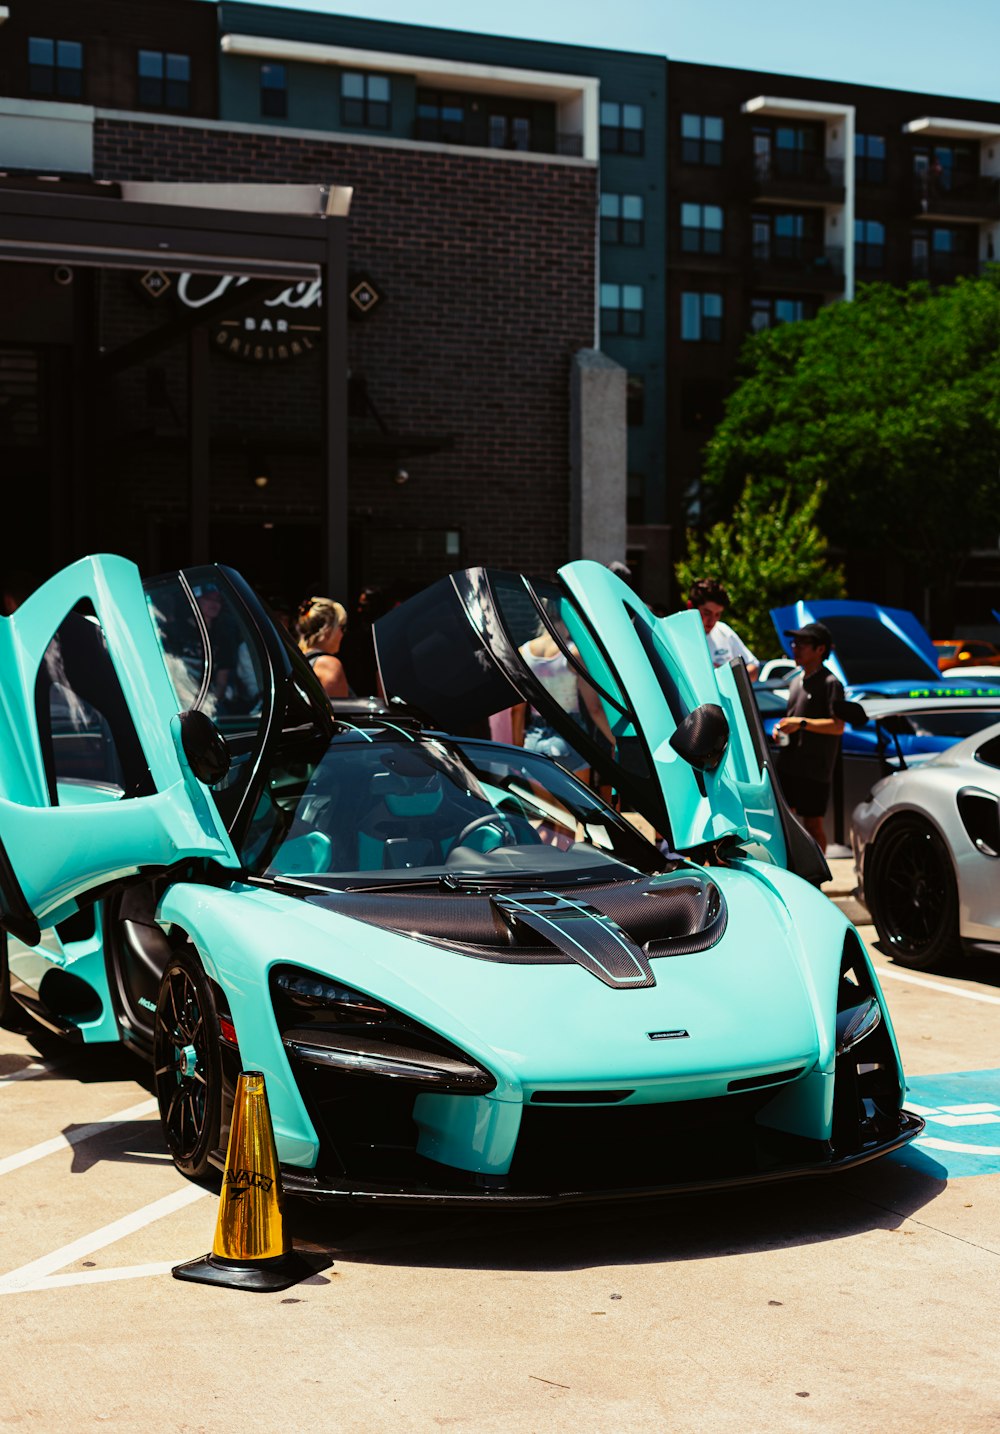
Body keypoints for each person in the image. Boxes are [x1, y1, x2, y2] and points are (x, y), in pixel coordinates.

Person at [772, 621, 845, 853]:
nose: (795, 648)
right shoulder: (795, 681)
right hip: (789, 765)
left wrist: (800, 724)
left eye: (802, 644)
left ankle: (818, 879)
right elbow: (792, 719)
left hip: (815, 768)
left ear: (820, 649)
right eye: (795, 643)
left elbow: (837, 726)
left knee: (813, 825)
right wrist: (781, 728)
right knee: (785, 824)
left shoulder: (831, 683)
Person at [511, 617, 615, 778]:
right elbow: (594, 709)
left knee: (539, 804)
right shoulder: (573, 653)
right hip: (570, 737)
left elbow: (517, 709)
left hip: (533, 740)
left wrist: (518, 749)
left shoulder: (523, 652)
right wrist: (616, 742)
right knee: (580, 803)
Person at [687, 578, 759, 682]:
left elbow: (753, 666)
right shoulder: (676, 637)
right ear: (690, 607)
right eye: (707, 613)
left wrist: (729, 679)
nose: (712, 620)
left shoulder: (723, 630)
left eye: (717, 614)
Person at [297, 596, 351, 699]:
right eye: (342, 628)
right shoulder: (329, 665)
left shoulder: (297, 658)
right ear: (328, 630)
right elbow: (336, 712)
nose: (342, 634)